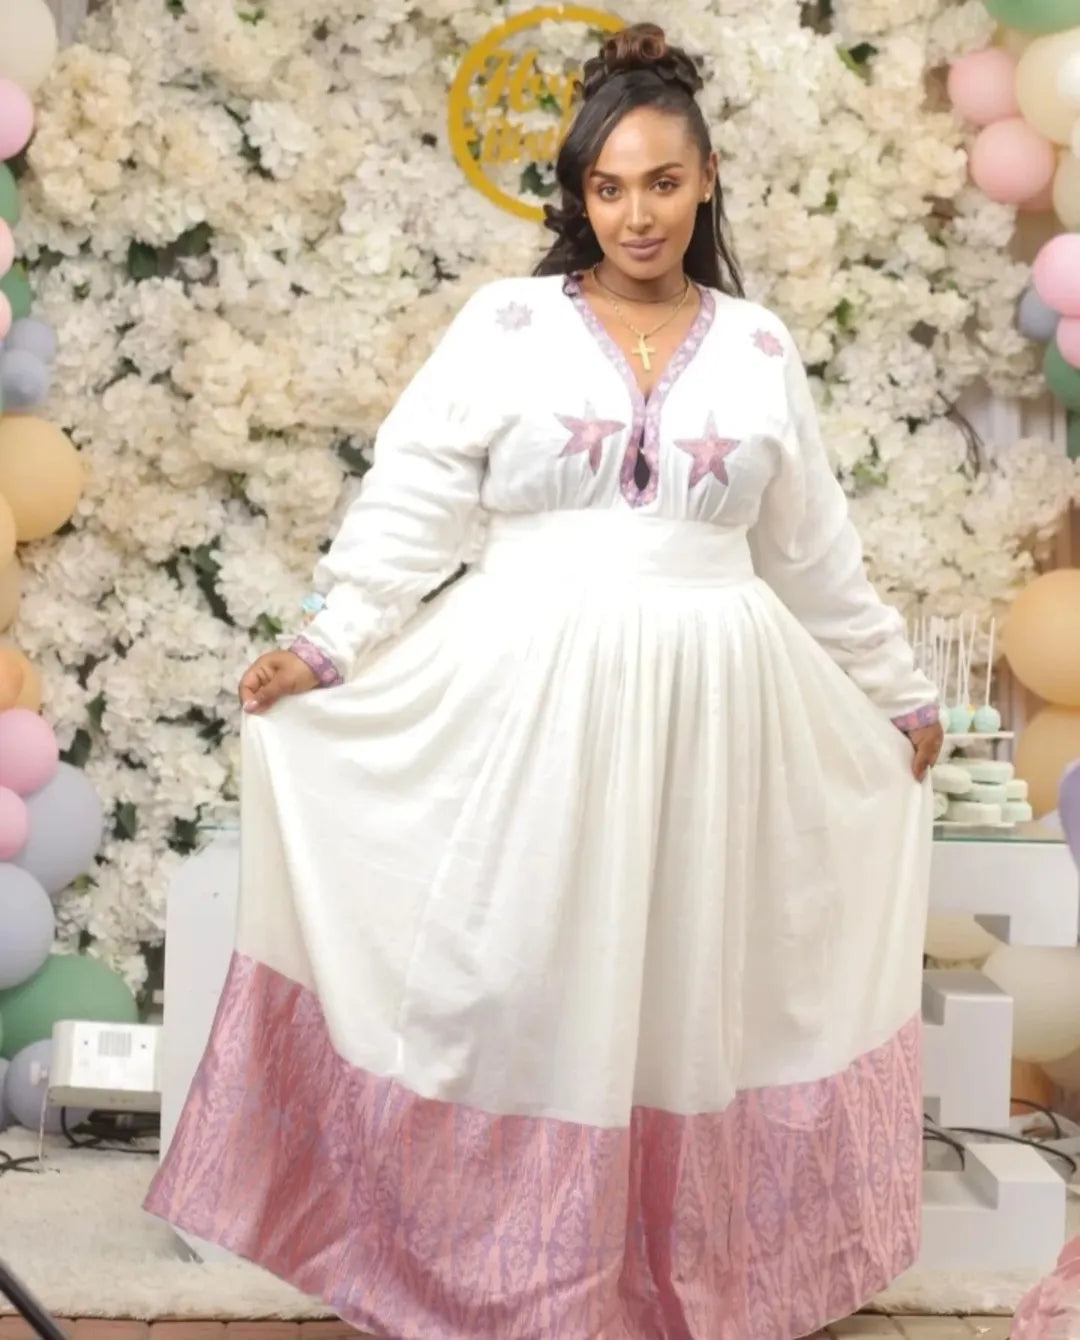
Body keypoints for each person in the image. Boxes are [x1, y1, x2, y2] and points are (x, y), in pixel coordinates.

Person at [146, 22, 943, 1340]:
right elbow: (413, 503)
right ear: (577, 196)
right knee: (517, 971)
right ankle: (508, 1275)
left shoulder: (754, 349)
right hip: (531, 692)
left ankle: (657, 1275)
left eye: (663, 183)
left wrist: (902, 694)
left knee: (682, 992)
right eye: (609, 186)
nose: (637, 213)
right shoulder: (508, 325)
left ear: (707, 182)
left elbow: (812, 554)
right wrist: (328, 643)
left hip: (711, 715)